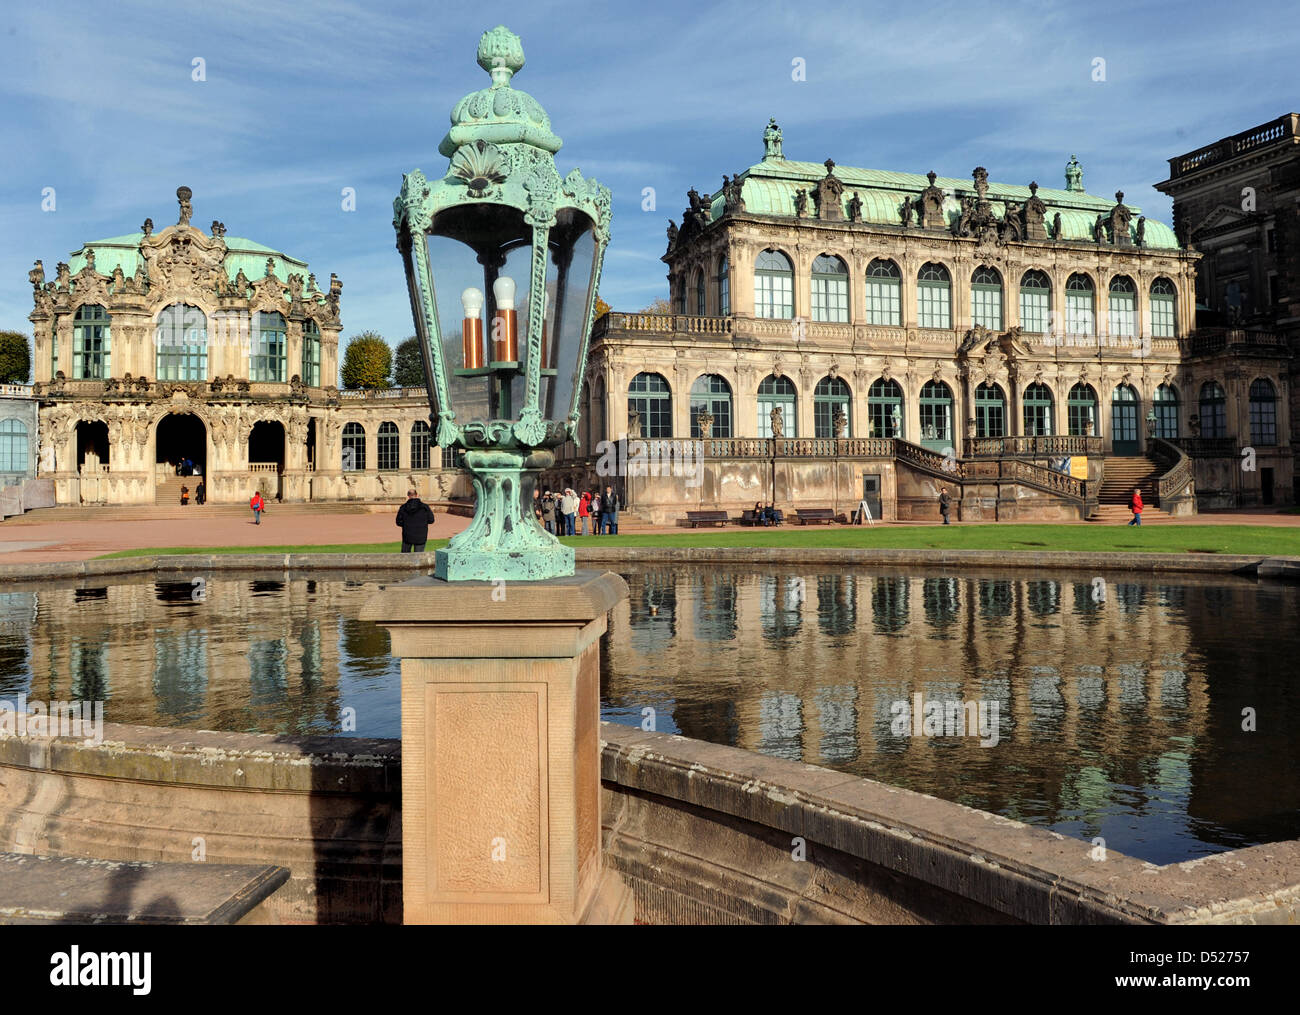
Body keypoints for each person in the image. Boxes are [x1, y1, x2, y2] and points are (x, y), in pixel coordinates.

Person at [396, 487, 436, 552]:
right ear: (417, 495)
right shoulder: (425, 507)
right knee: (418, 558)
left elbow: (398, 522)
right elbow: (431, 520)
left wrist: (407, 525)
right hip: (421, 535)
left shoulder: (403, 507)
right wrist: (422, 523)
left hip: (407, 535)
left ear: (408, 496)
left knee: (405, 557)